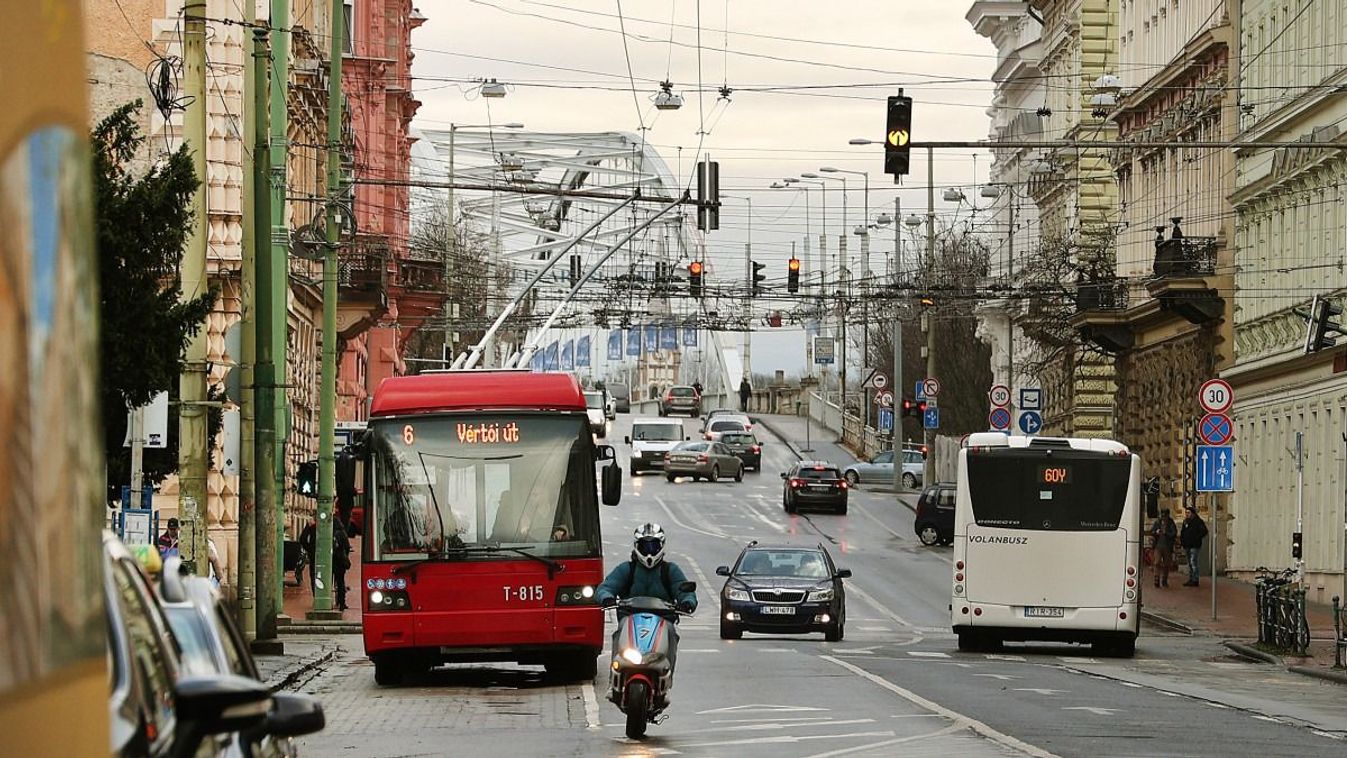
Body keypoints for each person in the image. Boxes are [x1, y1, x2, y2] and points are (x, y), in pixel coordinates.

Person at [596, 523, 697, 672]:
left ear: (661, 546)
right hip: (630, 617)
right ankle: (614, 678)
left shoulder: (670, 570)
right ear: (637, 546)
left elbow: (684, 590)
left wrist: (687, 602)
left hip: (663, 619)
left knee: (671, 633)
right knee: (619, 632)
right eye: (645, 546)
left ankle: (666, 675)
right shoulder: (627, 569)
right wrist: (606, 598)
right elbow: (606, 587)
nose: (649, 552)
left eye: (653, 546)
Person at [1180, 505, 1208, 587]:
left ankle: (1195, 579)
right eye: (1186, 513)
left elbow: (1204, 531)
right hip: (1187, 545)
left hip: (1195, 545)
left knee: (1193, 562)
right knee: (1189, 563)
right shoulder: (1185, 522)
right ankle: (1191, 578)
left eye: (1188, 512)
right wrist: (1182, 542)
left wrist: (1196, 538)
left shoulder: (1198, 522)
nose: (1187, 514)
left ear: (1193, 513)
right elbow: (1183, 533)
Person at [1149, 508, 1177, 588]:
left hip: (1167, 546)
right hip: (1158, 546)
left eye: (1165, 516)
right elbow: (1152, 531)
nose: (1163, 517)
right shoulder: (1157, 522)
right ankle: (1156, 579)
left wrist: (1166, 533)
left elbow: (1174, 533)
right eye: (1162, 515)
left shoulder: (1171, 523)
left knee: (1166, 564)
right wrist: (1156, 532)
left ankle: (1164, 580)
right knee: (1157, 562)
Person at [333, 516, 352, 611]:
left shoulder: (330, 533)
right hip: (340, 562)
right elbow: (347, 547)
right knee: (340, 582)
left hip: (331, 561)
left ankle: (328, 600)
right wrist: (344, 555)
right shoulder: (342, 533)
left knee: (328, 582)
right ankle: (341, 602)